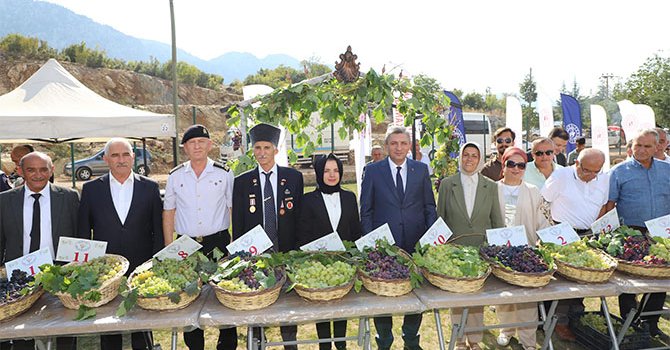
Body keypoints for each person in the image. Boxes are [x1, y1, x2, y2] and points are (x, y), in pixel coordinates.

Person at [78, 138, 163, 350]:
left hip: (142, 264)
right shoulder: (90, 189)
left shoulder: (150, 187)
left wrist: (155, 261)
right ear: (106, 159)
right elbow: (82, 231)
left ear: (133, 158)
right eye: (115, 155)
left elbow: (157, 229)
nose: (121, 160)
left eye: (126, 154)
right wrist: (86, 266)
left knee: (142, 322)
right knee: (108, 321)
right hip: (107, 267)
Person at [360, 126, 436, 350]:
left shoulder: (421, 170)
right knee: (383, 293)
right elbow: (366, 210)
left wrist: (430, 239)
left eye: (403, 143)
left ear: (409, 146)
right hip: (384, 247)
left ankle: (411, 339)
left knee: (415, 293)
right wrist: (371, 243)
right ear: (386, 147)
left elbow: (429, 206)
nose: (399, 148)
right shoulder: (373, 171)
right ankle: (384, 340)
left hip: (415, 242)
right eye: (394, 143)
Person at [163, 124, 236, 350]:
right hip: (187, 245)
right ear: (185, 147)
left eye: (201, 142)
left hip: (219, 241)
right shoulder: (175, 176)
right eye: (192, 142)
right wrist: (169, 250)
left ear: (209, 145)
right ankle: (195, 345)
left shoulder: (224, 173)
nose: (197, 146)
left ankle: (227, 344)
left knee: (226, 294)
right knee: (188, 297)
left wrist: (234, 246)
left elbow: (233, 209)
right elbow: (169, 213)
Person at [232, 123, 303, 350]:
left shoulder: (293, 178)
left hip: (286, 250)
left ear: (276, 150)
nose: (262, 152)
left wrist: (298, 251)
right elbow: (239, 223)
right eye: (258, 148)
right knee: (256, 300)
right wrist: (241, 256)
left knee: (288, 302)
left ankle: (289, 341)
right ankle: (257, 341)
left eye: (266, 147)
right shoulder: (242, 182)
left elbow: (299, 217)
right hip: (256, 255)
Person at [0, 152, 78, 350]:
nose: (38, 175)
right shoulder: (5, 201)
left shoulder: (68, 197)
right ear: (20, 171)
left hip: (60, 274)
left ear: (51, 170)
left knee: (65, 332)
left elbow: (78, 236)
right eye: (31, 170)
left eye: (44, 169)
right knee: (21, 334)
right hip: (20, 277)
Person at [437, 142, 504, 350]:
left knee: (476, 299)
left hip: (480, 251)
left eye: (474, 155)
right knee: (457, 298)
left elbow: (497, 220)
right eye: (466, 155)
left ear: (480, 159)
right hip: (454, 250)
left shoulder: (490, 186)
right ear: (460, 157)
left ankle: (474, 340)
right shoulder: (448, 184)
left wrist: (498, 248)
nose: (469, 159)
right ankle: (458, 340)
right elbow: (440, 218)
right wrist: (441, 248)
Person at [606, 129, 670, 342]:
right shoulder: (619, 171)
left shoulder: (667, 170)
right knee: (630, 281)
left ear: (658, 147)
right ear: (631, 146)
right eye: (638, 145)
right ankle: (628, 321)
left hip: (661, 233)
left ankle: (650, 323)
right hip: (631, 233)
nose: (642, 150)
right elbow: (610, 204)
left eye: (647, 146)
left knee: (661, 278)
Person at [541, 148, 609, 341]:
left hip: (588, 235)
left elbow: (603, 205)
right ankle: (559, 321)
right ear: (576, 163)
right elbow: (543, 201)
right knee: (564, 283)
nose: (590, 176)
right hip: (562, 234)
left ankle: (575, 317)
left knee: (583, 279)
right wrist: (550, 231)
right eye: (586, 170)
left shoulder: (603, 178)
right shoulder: (561, 175)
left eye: (595, 171)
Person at [297, 154, 361, 350]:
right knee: (322, 308)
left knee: (341, 307)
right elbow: (303, 233)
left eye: (335, 170)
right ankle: (324, 345)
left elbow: (355, 230)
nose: (332, 175)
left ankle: (341, 344)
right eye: (326, 171)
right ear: (318, 173)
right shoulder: (308, 200)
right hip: (318, 265)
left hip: (344, 264)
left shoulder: (350, 197)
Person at [494, 147, 549, 350]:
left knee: (527, 300)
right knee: (505, 296)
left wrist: (546, 243)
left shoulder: (533, 191)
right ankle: (506, 330)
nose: (516, 169)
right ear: (504, 165)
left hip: (525, 253)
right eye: (511, 164)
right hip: (499, 252)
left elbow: (543, 220)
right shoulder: (492, 189)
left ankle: (528, 340)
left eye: (521, 165)